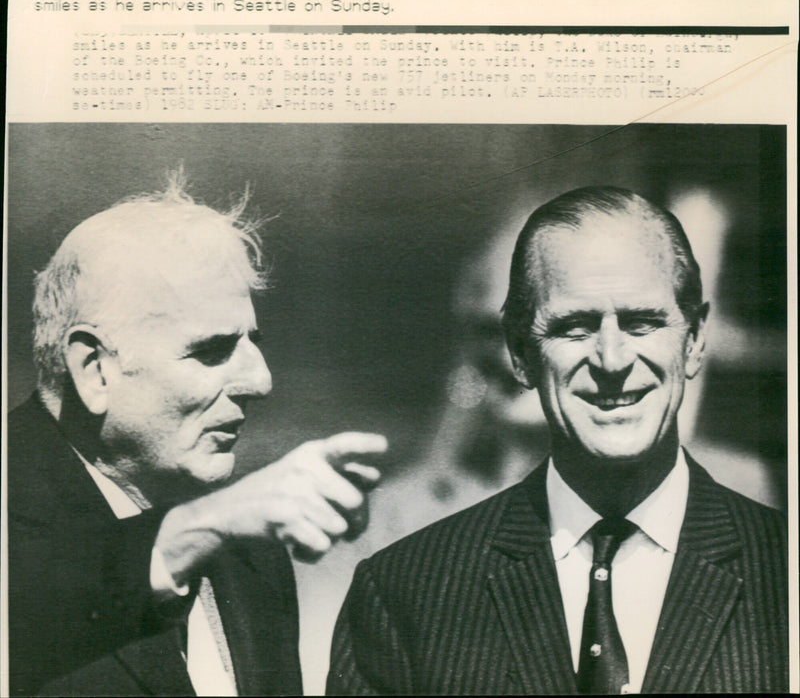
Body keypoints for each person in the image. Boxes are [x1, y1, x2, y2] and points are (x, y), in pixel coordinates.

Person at [327, 186, 788, 695]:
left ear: (695, 339)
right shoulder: (403, 589)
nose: (612, 360)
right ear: (521, 353)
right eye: (574, 327)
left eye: (641, 322)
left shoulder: (782, 567)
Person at [7, 173, 388, 697]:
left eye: (254, 342)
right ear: (94, 369)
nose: (261, 381)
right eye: (211, 350)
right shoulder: (217, 526)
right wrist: (202, 528)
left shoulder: (246, 548)